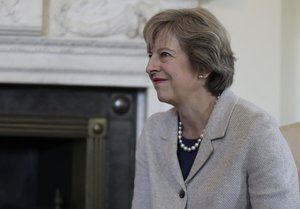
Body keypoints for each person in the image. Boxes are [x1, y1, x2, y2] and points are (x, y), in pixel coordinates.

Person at [131, 7, 300, 209]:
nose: (150, 67)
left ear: (204, 66)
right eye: (150, 55)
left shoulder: (257, 130)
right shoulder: (153, 131)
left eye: (164, 54)